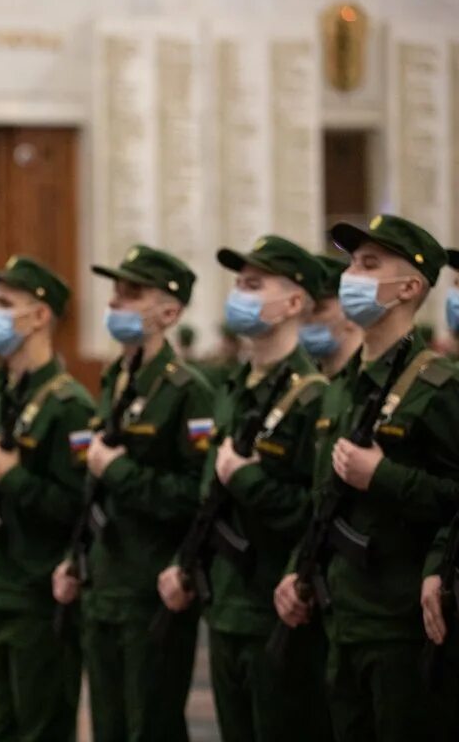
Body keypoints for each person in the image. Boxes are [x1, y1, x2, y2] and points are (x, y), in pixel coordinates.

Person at [274, 216, 459, 741]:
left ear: (410, 287)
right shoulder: (340, 385)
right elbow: (322, 500)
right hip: (341, 620)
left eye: (369, 264)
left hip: (404, 628)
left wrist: (384, 476)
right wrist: (297, 571)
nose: (351, 275)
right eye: (351, 263)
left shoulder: (439, 385)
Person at [157, 235, 331, 742]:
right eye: (238, 284)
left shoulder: (311, 397)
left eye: (254, 285)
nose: (240, 294)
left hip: (274, 606)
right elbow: (210, 498)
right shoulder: (236, 388)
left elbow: (315, 513)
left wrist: (247, 478)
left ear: (295, 303)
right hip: (226, 603)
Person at [53, 245, 212, 742]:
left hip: (151, 587)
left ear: (169, 311)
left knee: (152, 725)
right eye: (116, 291)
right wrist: (75, 556)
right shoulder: (116, 378)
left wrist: (119, 470)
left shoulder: (188, 389)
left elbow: (194, 495)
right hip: (105, 583)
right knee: (109, 726)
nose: (117, 302)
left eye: (132, 293)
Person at [0, 255, 95, 742]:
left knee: (40, 727)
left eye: (3, 304)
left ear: (39, 317)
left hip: (39, 596)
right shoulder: (2, 392)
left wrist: (13, 477)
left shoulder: (68, 404)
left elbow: (77, 511)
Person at [299, 255, 363, 378]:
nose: (305, 319)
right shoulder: (305, 386)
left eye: (318, 309)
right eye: (300, 312)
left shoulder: (381, 381)